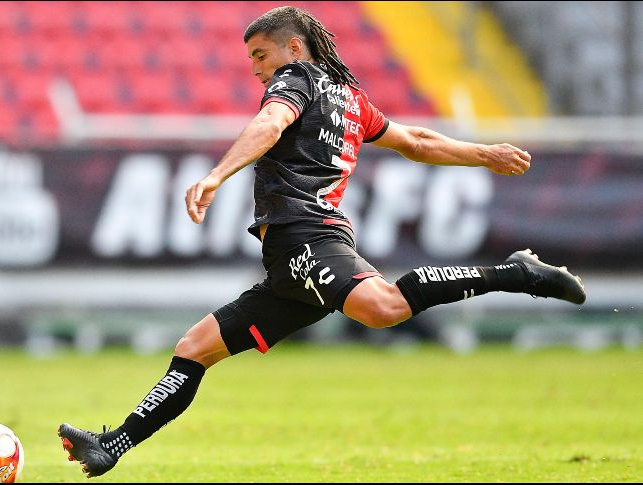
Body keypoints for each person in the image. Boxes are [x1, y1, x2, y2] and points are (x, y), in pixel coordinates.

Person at [57, 6, 586, 478]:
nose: (258, 69)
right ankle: (112, 445)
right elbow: (416, 141)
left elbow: (270, 121)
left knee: (383, 308)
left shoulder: (296, 79)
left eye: (261, 55)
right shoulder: (353, 100)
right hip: (289, 269)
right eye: (252, 61)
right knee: (193, 349)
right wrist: (483, 153)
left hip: (309, 238)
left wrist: (217, 175)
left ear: (293, 46)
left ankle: (516, 274)